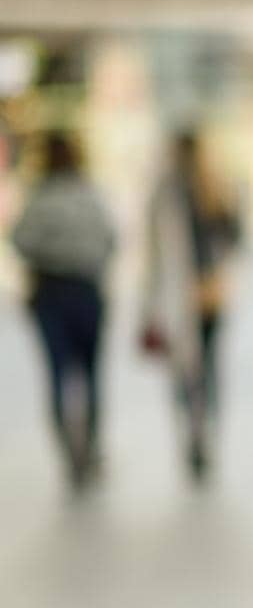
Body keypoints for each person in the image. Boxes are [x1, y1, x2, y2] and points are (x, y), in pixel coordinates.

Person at [8, 130, 117, 490]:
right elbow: (111, 239)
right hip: (86, 289)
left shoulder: (39, 198)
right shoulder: (90, 194)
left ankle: (69, 453)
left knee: (57, 374)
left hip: (51, 290)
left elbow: (20, 240)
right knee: (90, 373)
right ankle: (92, 446)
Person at [139, 129, 241, 482]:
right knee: (207, 367)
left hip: (183, 293)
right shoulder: (211, 185)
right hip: (209, 290)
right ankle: (203, 429)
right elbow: (233, 235)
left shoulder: (168, 190)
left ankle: (195, 429)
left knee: (186, 369)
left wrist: (149, 299)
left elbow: (153, 251)